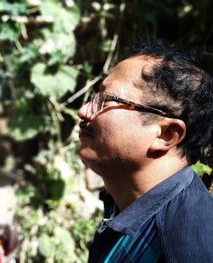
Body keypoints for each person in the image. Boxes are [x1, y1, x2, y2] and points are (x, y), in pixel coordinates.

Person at [78, 40, 213, 262]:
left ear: (166, 134)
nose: (84, 111)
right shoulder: (125, 204)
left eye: (106, 100)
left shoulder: (189, 243)